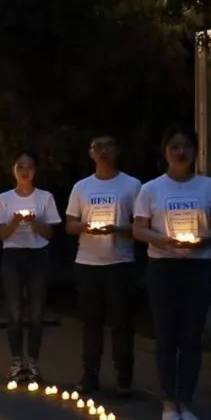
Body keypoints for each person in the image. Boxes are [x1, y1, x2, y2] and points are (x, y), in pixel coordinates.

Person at [133, 126, 211, 420]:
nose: (181, 152)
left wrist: (204, 239)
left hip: (198, 267)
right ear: (165, 152)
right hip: (163, 267)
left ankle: (186, 400)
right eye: (174, 146)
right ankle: (167, 400)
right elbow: (139, 228)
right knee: (166, 335)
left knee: (191, 336)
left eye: (187, 146)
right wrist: (163, 240)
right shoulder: (151, 189)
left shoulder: (208, 187)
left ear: (195, 151)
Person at [65, 135, 142, 396]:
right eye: (97, 146)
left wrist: (119, 229)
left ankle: (123, 377)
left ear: (118, 150)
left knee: (122, 323)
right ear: (90, 153)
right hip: (87, 262)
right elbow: (70, 224)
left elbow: (142, 226)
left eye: (108, 145)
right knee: (91, 323)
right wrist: (84, 227)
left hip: (120, 262)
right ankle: (90, 374)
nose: (103, 151)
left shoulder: (132, 185)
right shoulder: (82, 187)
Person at [0, 150, 61, 382]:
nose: (24, 171)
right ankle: (16, 361)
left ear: (35, 171)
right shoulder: (4, 199)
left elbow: (49, 233)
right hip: (12, 255)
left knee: (37, 311)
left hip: (38, 255)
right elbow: (1, 234)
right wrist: (16, 220)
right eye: (20, 166)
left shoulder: (45, 197)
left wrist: (34, 222)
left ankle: (33, 362)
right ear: (13, 170)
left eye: (29, 167)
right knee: (15, 311)